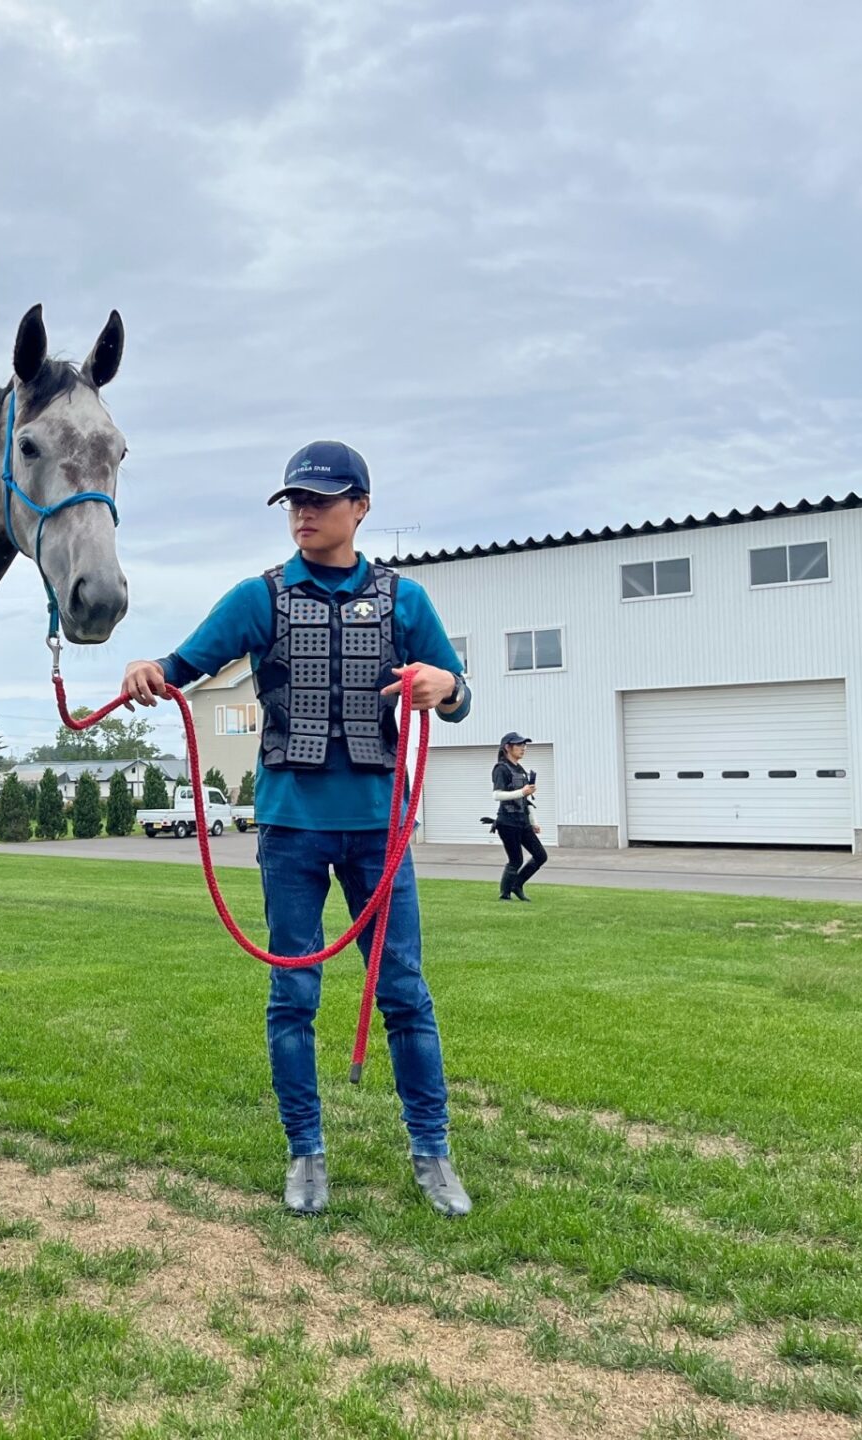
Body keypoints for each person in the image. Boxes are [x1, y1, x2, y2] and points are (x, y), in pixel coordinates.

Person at [121, 441, 475, 1218]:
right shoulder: (261, 598)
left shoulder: (405, 602)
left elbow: (460, 698)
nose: (304, 513)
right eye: (293, 502)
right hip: (291, 831)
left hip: (380, 835)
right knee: (293, 996)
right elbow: (179, 665)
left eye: (320, 499)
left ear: (362, 507)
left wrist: (445, 686)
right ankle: (305, 1152)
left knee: (405, 995)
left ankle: (432, 1151)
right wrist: (148, 670)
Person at [491, 733, 547, 902]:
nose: (523, 748)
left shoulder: (521, 770)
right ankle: (505, 894)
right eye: (519, 745)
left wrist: (533, 821)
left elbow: (527, 799)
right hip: (507, 823)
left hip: (523, 822)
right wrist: (522, 791)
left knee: (540, 856)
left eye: (524, 745)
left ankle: (517, 884)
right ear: (507, 747)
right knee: (515, 860)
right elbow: (497, 795)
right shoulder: (501, 768)